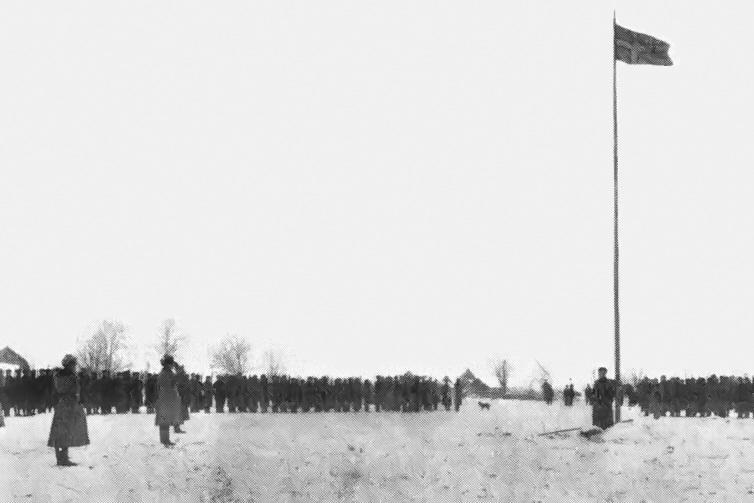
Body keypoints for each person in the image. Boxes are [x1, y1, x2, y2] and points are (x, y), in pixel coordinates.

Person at [47, 354, 90, 466]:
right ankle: (62, 458)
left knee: (64, 431)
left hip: (65, 405)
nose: (75, 366)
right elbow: (68, 389)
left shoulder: (62, 376)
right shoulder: (67, 376)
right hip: (67, 405)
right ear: (69, 365)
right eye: (73, 364)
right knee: (64, 431)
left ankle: (62, 457)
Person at [154, 354, 183, 447]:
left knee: (166, 419)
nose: (171, 366)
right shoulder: (164, 374)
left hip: (169, 398)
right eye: (170, 364)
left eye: (172, 364)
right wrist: (177, 374)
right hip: (165, 399)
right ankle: (164, 440)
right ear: (166, 364)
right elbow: (170, 384)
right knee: (164, 420)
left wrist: (178, 370)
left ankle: (166, 439)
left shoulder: (169, 372)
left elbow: (178, 380)